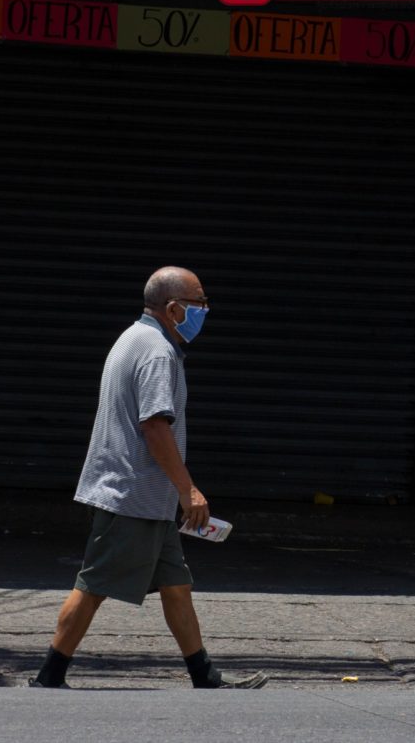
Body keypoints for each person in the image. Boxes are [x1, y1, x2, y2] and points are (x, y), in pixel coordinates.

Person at [29, 266, 268, 689]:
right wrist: (188, 489)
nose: (205, 311)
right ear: (174, 308)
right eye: (199, 303)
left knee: (177, 584)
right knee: (94, 584)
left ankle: (205, 676)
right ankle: (48, 676)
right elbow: (155, 427)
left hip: (146, 496)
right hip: (132, 494)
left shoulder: (133, 337)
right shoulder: (157, 351)